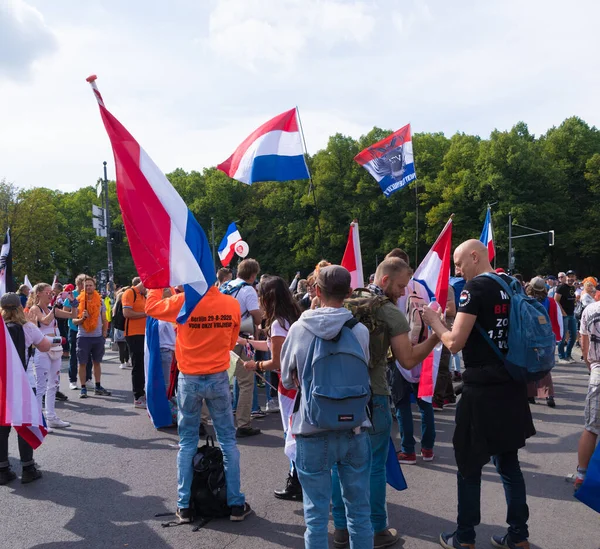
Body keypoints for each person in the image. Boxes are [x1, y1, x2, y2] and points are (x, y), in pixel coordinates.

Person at [422, 239, 535, 549]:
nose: (458, 270)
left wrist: (435, 322)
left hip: (481, 390)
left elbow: (455, 342)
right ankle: (519, 535)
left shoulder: (474, 289)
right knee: (509, 464)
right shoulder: (512, 284)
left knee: (469, 466)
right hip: (511, 383)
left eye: (459, 263)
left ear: (475, 256)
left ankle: (465, 537)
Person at [332, 257, 441, 549]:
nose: (403, 292)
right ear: (384, 281)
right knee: (375, 465)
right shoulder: (390, 313)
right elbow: (407, 359)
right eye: (401, 285)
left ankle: (340, 529)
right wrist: (434, 337)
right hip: (375, 394)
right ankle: (378, 529)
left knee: (339, 463)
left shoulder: (345, 301)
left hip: (337, 396)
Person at [280, 265, 373, 548]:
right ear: (347, 292)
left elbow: (286, 376)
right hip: (355, 427)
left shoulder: (299, 329)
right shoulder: (359, 330)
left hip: (312, 426)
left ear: (316, 291)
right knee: (359, 512)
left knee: (316, 515)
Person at [145, 281, 252, 524]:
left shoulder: (183, 302)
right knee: (227, 441)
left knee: (187, 442)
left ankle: (184, 506)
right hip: (217, 376)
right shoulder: (230, 303)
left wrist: (154, 283)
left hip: (190, 378)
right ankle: (236, 504)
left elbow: (151, 308)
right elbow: (232, 338)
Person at [242, 276, 302, 501]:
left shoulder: (278, 323)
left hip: (288, 386)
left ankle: (296, 482)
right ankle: (300, 480)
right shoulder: (293, 316)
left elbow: (276, 361)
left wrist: (254, 365)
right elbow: (271, 346)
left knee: (292, 434)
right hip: (296, 384)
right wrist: (245, 342)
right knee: (298, 433)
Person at [0, 292, 55, 484]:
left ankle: (3, 469)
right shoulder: (27, 327)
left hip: (2, 384)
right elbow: (45, 346)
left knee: (2, 426)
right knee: (25, 423)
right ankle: (28, 467)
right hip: (24, 382)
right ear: (19, 307)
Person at [222, 258, 263, 438]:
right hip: (242, 337)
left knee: (219, 378)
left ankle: (203, 418)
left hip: (222, 337)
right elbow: (257, 318)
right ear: (253, 275)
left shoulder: (225, 286)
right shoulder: (248, 291)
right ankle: (243, 423)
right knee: (245, 382)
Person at [27, 283, 77, 429]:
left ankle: (51, 417)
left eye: (51, 292)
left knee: (53, 385)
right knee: (41, 386)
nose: (51, 294)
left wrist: (73, 302)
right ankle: (38, 421)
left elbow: (73, 315)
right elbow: (45, 321)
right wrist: (55, 307)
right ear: (39, 294)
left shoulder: (50, 309)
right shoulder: (35, 308)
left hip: (55, 349)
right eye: (48, 292)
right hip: (42, 350)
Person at [574, 298, 600, 491]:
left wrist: (590, 366)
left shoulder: (590, 309)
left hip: (598, 370)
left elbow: (584, 345)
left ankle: (582, 475)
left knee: (591, 427)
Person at [72, 277, 111, 399]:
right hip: (83, 337)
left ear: (94, 287)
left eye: (90, 285)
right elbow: (74, 321)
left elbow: (104, 318)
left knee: (97, 362)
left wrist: (104, 333)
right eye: (86, 286)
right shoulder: (78, 301)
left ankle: (98, 386)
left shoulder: (100, 301)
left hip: (97, 336)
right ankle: (83, 388)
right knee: (82, 363)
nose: (88, 287)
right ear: (82, 288)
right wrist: (82, 319)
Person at [525, 278, 560, 407]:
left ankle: (530, 395)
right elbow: (556, 319)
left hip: (530, 336)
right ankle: (547, 395)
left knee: (530, 366)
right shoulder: (550, 301)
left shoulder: (525, 300)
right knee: (544, 368)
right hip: (545, 336)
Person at [122, 277, 147, 408]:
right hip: (133, 334)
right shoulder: (130, 292)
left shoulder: (143, 295)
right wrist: (146, 313)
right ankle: (137, 396)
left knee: (143, 365)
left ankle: (142, 393)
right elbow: (127, 313)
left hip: (144, 333)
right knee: (138, 365)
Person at [64, 276, 92, 390]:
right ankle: (73, 380)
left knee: (88, 355)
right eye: (84, 285)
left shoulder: (90, 295)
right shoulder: (71, 295)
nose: (86, 287)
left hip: (88, 330)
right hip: (75, 329)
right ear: (79, 284)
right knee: (74, 355)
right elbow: (65, 312)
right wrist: (76, 311)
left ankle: (88, 378)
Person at [555, 270, 577, 362]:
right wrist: (563, 312)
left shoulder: (572, 288)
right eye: (569, 276)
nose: (570, 278)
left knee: (574, 335)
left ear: (575, 278)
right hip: (564, 315)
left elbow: (573, 298)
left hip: (572, 314)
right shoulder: (561, 287)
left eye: (572, 276)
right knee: (563, 336)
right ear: (566, 277)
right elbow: (555, 300)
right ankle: (561, 356)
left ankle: (568, 355)